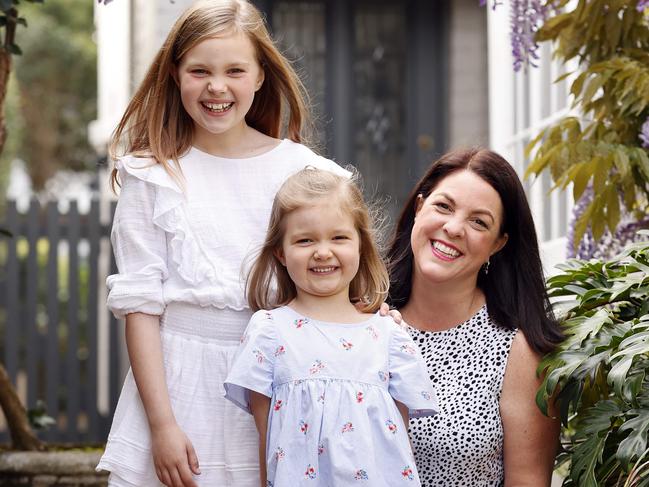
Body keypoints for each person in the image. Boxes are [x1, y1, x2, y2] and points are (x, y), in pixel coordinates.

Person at [95, 1, 348, 486]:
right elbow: (142, 308)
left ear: (259, 76)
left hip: (280, 384)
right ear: (175, 74)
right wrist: (163, 425)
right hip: (179, 386)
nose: (217, 87)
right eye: (199, 71)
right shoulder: (153, 175)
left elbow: (336, 278)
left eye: (235, 70)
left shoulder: (304, 172)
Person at [223, 168, 438, 487]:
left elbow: (398, 447)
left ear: (361, 245)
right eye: (305, 240)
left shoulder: (388, 336)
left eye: (338, 237)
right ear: (281, 252)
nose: (323, 251)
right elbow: (267, 442)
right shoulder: (269, 332)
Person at [386, 148, 563, 486]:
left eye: (479, 222)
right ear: (419, 207)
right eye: (443, 206)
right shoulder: (364, 319)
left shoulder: (518, 351)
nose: (453, 228)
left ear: (498, 244)